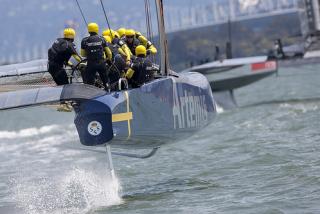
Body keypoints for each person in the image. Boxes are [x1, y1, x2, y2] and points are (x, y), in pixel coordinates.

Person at [81, 23, 110, 89]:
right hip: (101, 63)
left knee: (90, 83)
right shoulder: (102, 38)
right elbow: (109, 52)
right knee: (105, 80)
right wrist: (108, 59)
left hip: (91, 64)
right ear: (97, 29)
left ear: (88, 30)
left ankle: (90, 94)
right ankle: (108, 89)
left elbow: (82, 54)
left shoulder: (84, 40)